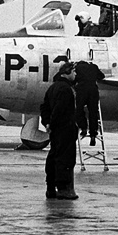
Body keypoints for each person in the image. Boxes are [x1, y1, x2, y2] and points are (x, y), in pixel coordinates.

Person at [40, 64, 80, 199]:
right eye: (74, 71)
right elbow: (59, 109)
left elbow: (44, 107)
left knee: (53, 157)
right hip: (65, 128)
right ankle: (64, 189)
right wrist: (54, 123)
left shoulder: (52, 88)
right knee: (65, 159)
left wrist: (47, 123)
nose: (75, 74)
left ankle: (50, 188)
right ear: (67, 72)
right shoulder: (66, 89)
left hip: (56, 130)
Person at [72, 60, 105, 145]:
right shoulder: (93, 67)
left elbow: (73, 80)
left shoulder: (77, 68)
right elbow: (101, 76)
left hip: (82, 91)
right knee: (93, 113)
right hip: (93, 92)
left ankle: (83, 128)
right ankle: (93, 134)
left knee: (79, 110)